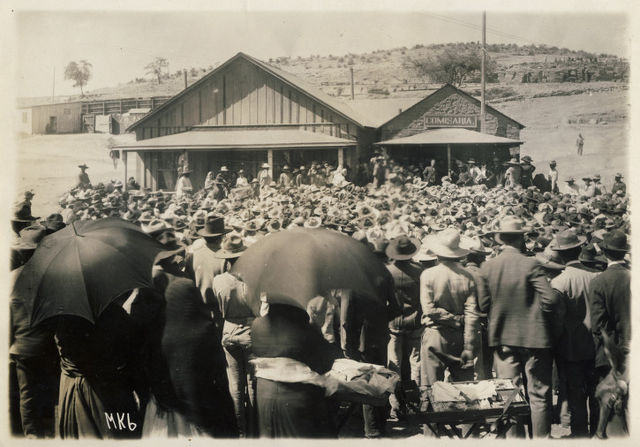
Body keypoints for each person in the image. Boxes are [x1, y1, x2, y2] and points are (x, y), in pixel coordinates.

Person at [477, 216, 560, 438]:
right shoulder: (531, 263)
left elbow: (483, 304)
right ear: (521, 238)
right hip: (535, 337)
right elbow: (550, 299)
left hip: (503, 337)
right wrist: (537, 315)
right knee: (539, 396)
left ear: (499, 238)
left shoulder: (487, 267)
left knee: (510, 396)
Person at [143, 277, 239, 438]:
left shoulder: (160, 333)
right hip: (206, 414)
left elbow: (153, 371)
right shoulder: (205, 330)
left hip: (170, 412)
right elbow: (219, 377)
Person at [251, 303, 338, 438]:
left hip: (264, 393)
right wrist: (318, 327)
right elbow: (325, 364)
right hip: (295, 398)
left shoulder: (257, 324)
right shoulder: (304, 329)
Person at [549, 229, 600, 437]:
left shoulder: (559, 282)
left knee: (576, 397)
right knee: (595, 394)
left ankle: (579, 435)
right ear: (579, 250)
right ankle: (597, 433)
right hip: (596, 346)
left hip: (571, 348)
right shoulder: (596, 277)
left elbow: (557, 321)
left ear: (560, 254)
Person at [10, 227, 59, 438]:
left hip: (22, 348)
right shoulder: (54, 277)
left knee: (27, 396)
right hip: (49, 346)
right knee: (52, 393)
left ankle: (32, 436)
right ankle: (54, 432)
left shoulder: (11, 278)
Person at [211, 235, 257, 437]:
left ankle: (241, 430)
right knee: (252, 383)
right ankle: (256, 428)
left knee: (235, 385)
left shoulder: (219, 281)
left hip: (228, 329)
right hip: (251, 330)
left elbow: (217, 310)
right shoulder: (253, 280)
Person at [419, 228, 478, 387]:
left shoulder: (428, 275)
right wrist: (469, 346)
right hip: (460, 337)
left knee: (431, 389)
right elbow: (472, 315)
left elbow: (429, 310)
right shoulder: (468, 276)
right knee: (465, 389)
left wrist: (451, 319)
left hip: (435, 334)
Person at [588, 230, 630, 438]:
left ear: (604, 253)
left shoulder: (599, 281)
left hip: (613, 352)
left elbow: (598, 325)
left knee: (613, 404)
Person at [385, 236, 423, 420]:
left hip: (394, 323)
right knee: (416, 363)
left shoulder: (388, 272)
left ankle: (396, 405)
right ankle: (417, 402)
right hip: (415, 322)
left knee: (394, 365)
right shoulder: (419, 271)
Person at [184, 214, 232, 333]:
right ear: (220, 237)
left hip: (199, 309)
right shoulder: (225, 258)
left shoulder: (192, 256)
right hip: (219, 310)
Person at [460, 236, 493, 380]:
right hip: (478, 324)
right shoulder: (482, 275)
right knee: (480, 366)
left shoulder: (458, 273)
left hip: (458, 323)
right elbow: (485, 304)